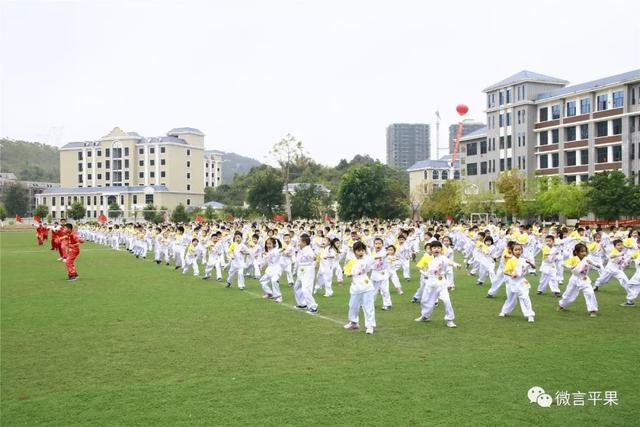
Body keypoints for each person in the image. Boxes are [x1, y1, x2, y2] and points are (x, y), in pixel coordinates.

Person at [414, 241, 460, 328]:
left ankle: (450, 320)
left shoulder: (442, 258)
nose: (436, 249)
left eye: (438, 248)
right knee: (425, 301)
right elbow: (419, 267)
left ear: (441, 249)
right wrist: (424, 273)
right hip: (430, 282)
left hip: (441, 282)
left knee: (446, 300)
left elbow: (449, 261)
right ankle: (425, 316)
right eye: (434, 248)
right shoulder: (426, 258)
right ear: (431, 249)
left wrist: (455, 264)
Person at [558, 243, 602, 317]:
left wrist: (593, 264)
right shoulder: (573, 259)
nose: (584, 253)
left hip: (584, 278)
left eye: (585, 251)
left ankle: (593, 310)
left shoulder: (587, 259)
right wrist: (572, 266)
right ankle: (562, 305)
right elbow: (563, 264)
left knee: (590, 293)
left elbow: (598, 266)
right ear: (576, 252)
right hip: (574, 279)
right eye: (582, 251)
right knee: (568, 294)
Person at [343, 241, 376, 334]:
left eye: (362, 250)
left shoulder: (368, 259)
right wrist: (349, 274)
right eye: (358, 250)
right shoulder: (352, 261)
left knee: (368, 306)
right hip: (355, 287)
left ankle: (370, 326)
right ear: (354, 251)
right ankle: (353, 322)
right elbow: (346, 271)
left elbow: (374, 262)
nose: (361, 252)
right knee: (353, 306)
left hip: (366, 286)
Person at [498, 243, 536, 323]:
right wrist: (512, 275)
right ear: (512, 251)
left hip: (522, 281)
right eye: (516, 250)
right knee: (511, 298)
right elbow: (505, 272)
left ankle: (530, 315)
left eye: (519, 250)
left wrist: (530, 263)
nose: (518, 251)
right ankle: (504, 311)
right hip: (512, 282)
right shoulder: (511, 261)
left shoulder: (524, 260)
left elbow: (534, 267)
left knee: (525, 297)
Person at [293, 234, 318, 314]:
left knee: (305, 289)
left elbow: (314, 257)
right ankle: (302, 304)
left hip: (308, 270)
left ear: (304, 242)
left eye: (300, 241)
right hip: (301, 269)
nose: (298, 243)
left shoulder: (308, 250)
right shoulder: (301, 250)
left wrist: (314, 262)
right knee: (297, 287)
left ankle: (313, 307)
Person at [259, 237, 284, 303]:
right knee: (262, 281)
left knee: (274, 281)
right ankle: (270, 293)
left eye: (270, 244)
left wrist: (282, 248)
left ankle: (279, 296)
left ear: (274, 244)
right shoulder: (268, 252)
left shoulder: (276, 250)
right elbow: (266, 261)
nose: (268, 245)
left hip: (276, 269)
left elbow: (280, 250)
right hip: (269, 269)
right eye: (267, 244)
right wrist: (262, 266)